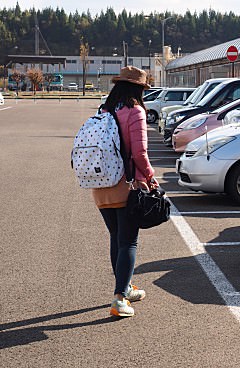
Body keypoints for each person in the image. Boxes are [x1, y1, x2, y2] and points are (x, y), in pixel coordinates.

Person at [91, 66, 157, 317]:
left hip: (100, 184)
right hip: (126, 184)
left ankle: (125, 288)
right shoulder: (135, 111)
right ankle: (119, 299)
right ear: (138, 89)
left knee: (116, 238)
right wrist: (151, 177)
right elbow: (139, 153)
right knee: (128, 241)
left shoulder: (105, 110)